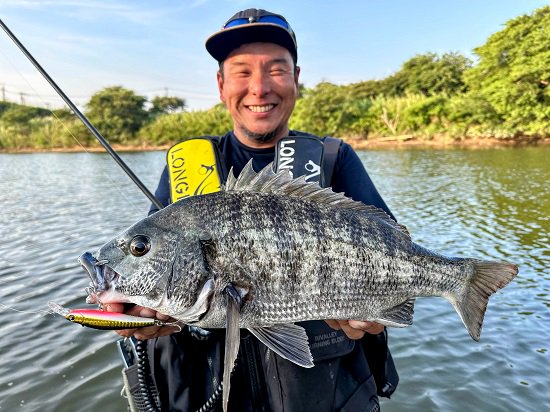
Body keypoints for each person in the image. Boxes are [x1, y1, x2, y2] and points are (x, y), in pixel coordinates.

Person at [108, 8, 397, 411]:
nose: (259, 88)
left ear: (296, 79)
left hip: (323, 394)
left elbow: (392, 251)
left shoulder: (334, 158)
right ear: (221, 84)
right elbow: (156, 260)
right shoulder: (185, 165)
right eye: (242, 72)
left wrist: (375, 311)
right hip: (209, 388)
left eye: (276, 70)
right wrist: (143, 307)